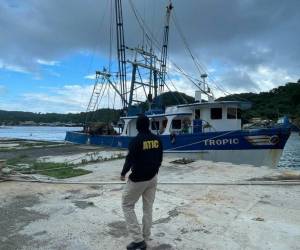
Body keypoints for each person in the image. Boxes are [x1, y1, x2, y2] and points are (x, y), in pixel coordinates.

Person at [121, 114, 163, 250]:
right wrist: (154, 171)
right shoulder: (157, 140)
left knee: (127, 204)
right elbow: (160, 159)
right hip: (153, 178)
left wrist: (123, 173)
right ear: (148, 125)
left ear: (138, 126)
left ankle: (138, 241)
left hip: (138, 179)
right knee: (148, 208)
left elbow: (129, 160)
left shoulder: (136, 141)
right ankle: (145, 236)